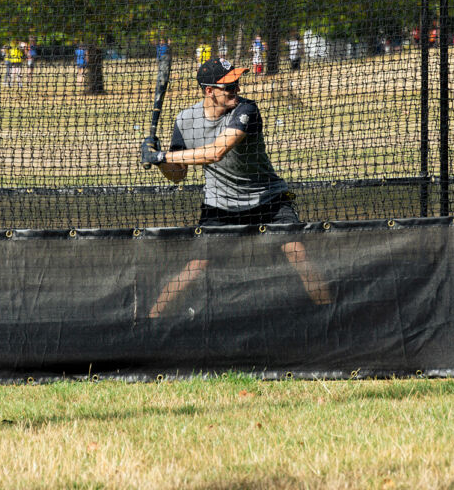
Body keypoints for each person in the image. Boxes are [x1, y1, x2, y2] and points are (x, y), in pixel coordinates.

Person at [139, 57, 331, 318]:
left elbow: (216, 152)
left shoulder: (246, 111)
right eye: (229, 87)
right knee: (195, 267)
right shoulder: (185, 120)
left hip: (268, 197)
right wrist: (159, 160)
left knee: (297, 252)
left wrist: (162, 156)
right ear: (210, 91)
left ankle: (331, 318)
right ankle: (150, 323)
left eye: (237, 83)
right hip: (221, 204)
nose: (237, 90)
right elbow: (177, 176)